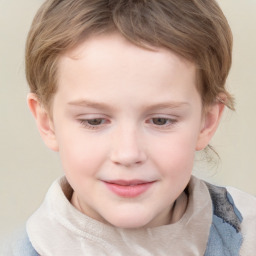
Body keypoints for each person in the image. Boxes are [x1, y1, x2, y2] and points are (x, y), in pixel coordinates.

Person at [5, 0, 256, 255]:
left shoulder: (248, 232)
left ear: (207, 121)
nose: (127, 154)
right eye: (94, 120)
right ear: (47, 122)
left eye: (160, 120)